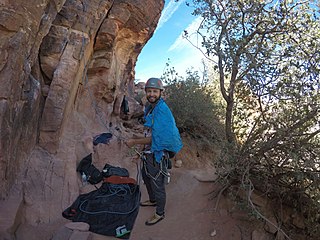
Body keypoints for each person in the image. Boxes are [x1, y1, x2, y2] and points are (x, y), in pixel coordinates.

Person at [125, 77, 183, 226]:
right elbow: (150, 132)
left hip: (159, 152)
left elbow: (156, 138)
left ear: (160, 93)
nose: (152, 94)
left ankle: (160, 213)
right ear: (146, 92)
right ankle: (152, 200)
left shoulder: (161, 110)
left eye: (155, 91)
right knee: (146, 175)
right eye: (149, 91)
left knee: (157, 184)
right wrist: (138, 139)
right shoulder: (151, 107)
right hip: (151, 150)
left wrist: (134, 142)